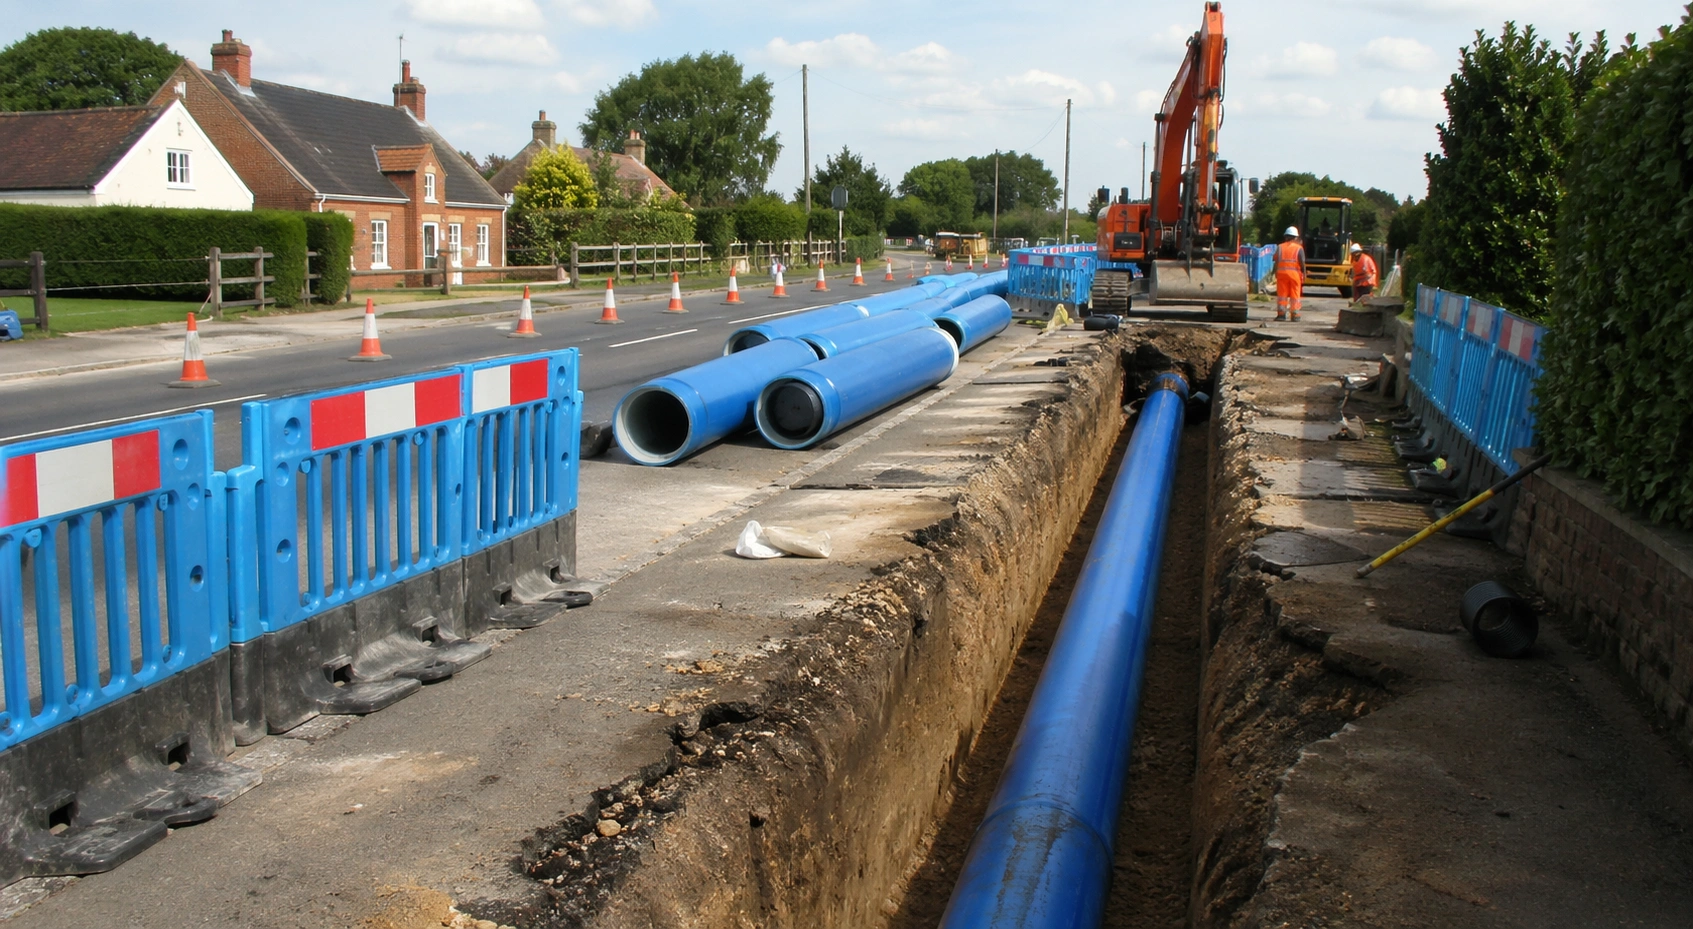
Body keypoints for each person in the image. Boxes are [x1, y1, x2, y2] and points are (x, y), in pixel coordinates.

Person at [1274, 226, 1306, 321]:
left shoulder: (1280, 247)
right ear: (1296, 237)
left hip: (1282, 274)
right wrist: (1304, 273)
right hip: (1295, 275)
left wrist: (1275, 272)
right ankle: (1295, 315)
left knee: (1282, 295)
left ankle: (1281, 314)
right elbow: (1302, 262)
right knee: (1295, 294)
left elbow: (1276, 260)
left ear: (1285, 236)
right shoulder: (1299, 248)